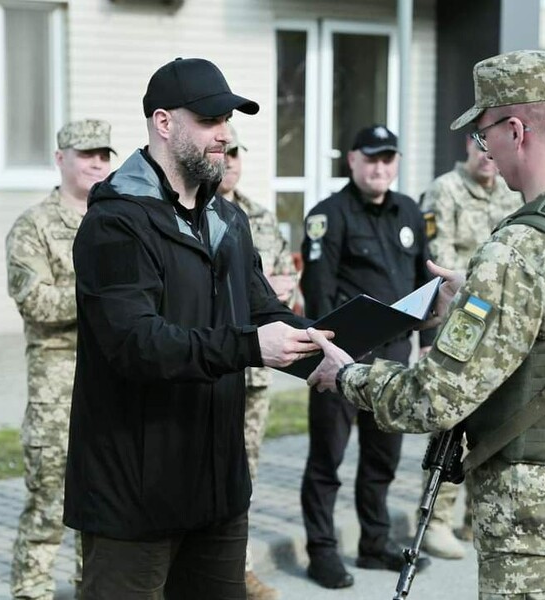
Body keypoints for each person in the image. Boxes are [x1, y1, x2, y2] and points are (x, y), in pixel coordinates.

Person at [305, 50, 545, 598]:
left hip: (536, 528)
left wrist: (348, 374)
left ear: (515, 129)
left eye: (483, 135)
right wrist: (482, 300)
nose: (485, 153)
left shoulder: (521, 251)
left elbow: (432, 400)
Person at [63, 57, 324, 599]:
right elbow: (135, 344)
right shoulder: (115, 222)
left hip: (217, 491)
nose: (223, 136)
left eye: (227, 121)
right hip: (133, 494)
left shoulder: (228, 220)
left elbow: (260, 311)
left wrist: (329, 352)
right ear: (164, 123)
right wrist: (251, 346)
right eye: (209, 121)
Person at [299, 124, 435, 589]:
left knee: (382, 459)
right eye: (371, 158)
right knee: (327, 461)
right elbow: (316, 294)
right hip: (341, 360)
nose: (380, 167)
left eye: (388, 159)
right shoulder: (327, 216)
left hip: (394, 360)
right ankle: (322, 551)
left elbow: (423, 283)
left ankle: (374, 543)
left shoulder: (410, 211)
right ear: (352, 161)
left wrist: (427, 342)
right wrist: (321, 358)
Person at [5, 119, 114, 600]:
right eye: (85, 153)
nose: (97, 162)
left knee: (99, 506)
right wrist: (103, 297)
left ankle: (87, 590)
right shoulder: (34, 226)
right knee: (49, 503)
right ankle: (31, 590)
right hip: (57, 387)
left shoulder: (116, 218)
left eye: (104, 154)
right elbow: (37, 304)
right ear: (60, 159)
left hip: (110, 384)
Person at [418, 132, 522, 559]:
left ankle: (472, 516)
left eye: (491, 149)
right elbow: (438, 263)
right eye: (479, 147)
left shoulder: (510, 196)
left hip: (497, 332)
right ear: (466, 147)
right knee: (450, 425)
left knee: (492, 426)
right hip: (456, 325)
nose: (486, 157)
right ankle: (436, 519)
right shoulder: (444, 191)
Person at [217, 126, 296, 600]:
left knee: (244, 473)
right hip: (216, 363)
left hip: (256, 376)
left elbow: (285, 280)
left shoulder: (261, 218)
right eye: (222, 152)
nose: (229, 161)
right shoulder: (196, 214)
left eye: (235, 154)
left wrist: (283, 289)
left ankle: (237, 568)